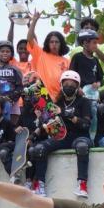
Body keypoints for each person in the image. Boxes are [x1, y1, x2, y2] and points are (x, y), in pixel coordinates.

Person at [30, 70, 93, 198]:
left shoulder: (84, 102)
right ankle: (39, 185)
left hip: (80, 137)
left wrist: (65, 113)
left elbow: (86, 124)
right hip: (62, 137)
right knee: (39, 148)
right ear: (61, 85)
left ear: (77, 86)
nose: (69, 86)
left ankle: (82, 185)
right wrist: (34, 134)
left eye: (72, 84)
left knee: (82, 147)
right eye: (66, 83)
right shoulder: (56, 103)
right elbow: (46, 124)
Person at [21, 10, 71, 101]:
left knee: (56, 115)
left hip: (60, 99)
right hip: (41, 97)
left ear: (61, 44)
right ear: (47, 43)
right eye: (51, 42)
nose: (54, 44)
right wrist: (34, 21)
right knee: (44, 115)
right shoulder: (40, 54)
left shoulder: (67, 61)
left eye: (57, 42)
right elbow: (30, 38)